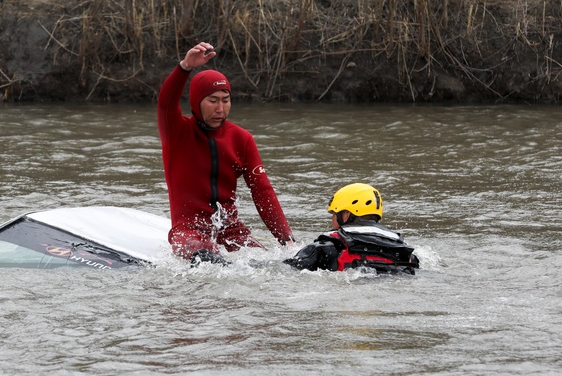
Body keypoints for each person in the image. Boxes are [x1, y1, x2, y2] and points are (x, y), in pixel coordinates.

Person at [158, 41, 295, 263]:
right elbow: (165, 103)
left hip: (231, 231)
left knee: (270, 264)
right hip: (189, 232)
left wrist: (286, 239)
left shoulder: (241, 139)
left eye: (226, 100)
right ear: (196, 101)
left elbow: (262, 191)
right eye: (212, 101)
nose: (220, 109)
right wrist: (185, 67)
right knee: (209, 260)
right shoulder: (176, 133)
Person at [285, 183, 419, 275]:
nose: (332, 219)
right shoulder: (404, 250)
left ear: (346, 215)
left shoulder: (326, 248)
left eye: (333, 213)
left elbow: (285, 271)